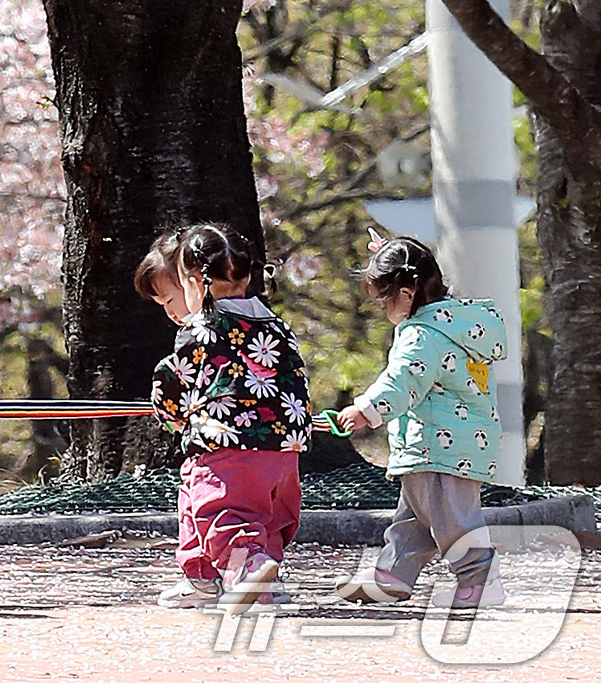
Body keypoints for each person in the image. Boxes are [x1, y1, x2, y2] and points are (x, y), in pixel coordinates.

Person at [336, 236, 506, 611]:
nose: (383, 307)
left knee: (448, 519)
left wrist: (365, 410)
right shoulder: (454, 324)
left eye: (385, 298)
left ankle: (480, 578)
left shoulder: (422, 335)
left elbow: (403, 379)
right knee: (415, 517)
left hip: (437, 446)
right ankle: (394, 572)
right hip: (453, 443)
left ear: (407, 292)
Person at [150, 221, 312, 611]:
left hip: (224, 441)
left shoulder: (200, 328)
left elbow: (175, 380)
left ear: (193, 280)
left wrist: (169, 412)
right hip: (284, 445)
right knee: (264, 515)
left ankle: (248, 568)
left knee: (217, 509)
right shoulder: (276, 324)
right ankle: (207, 579)